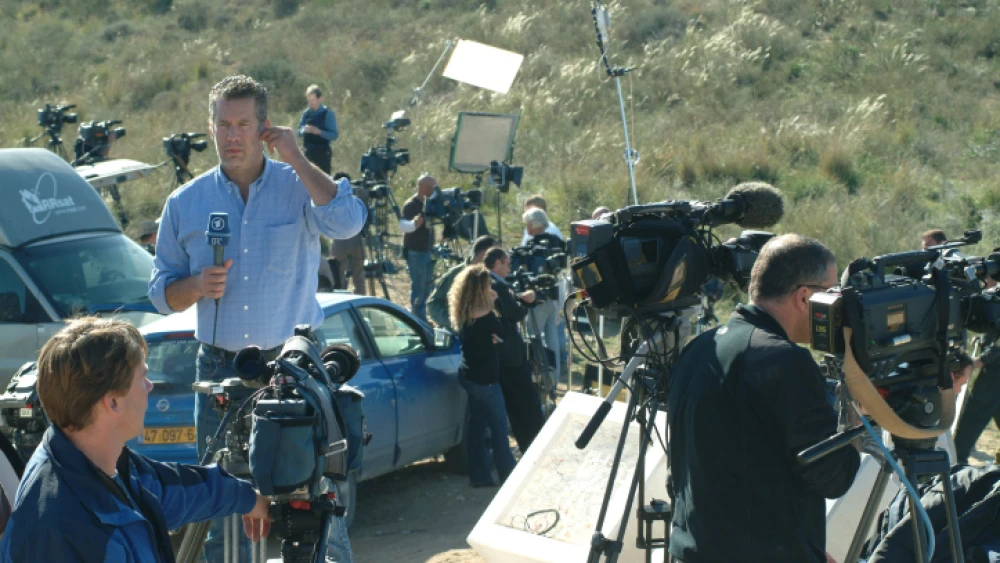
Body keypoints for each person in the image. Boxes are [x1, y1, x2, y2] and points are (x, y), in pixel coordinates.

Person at [149, 74, 365, 562]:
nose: (231, 135)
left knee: (314, 503)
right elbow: (160, 294)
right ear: (211, 128)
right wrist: (195, 287)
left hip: (294, 370)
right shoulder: (186, 203)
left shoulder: (298, 185)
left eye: (243, 124)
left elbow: (349, 221)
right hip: (220, 370)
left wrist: (296, 156)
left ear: (264, 127)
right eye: (223, 124)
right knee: (217, 503)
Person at [0, 317, 272, 562]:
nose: (150, 387)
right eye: (143, 377)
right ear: (113, 403)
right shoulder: (62, 530)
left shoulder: (96, 460)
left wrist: (248, 497)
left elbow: (172, 490)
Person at [667, 234, 861, 563]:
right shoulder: (785, 361)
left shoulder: (700, 347)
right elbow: (834, 476)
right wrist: (857, 404)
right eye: (831, 293)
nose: (839, 305)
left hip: (694, 549)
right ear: (804, 297)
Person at [449, 265, 518, 487]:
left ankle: (480, 476)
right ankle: (509, 476)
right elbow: (505, 332)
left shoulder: (461, 311)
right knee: (499, 430)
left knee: (477, 427)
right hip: (486, 380)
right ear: (481, 289)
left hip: (468, 374)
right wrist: (498, 301)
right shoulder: (487, 315)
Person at [485, 247, 545, 453]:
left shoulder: (486, 281)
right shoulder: (495, 285)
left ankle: (528, 443)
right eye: (507, 264)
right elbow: (514, 313)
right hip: (509, 356)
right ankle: (531, 445)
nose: (510, 268)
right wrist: (525, 302)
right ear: (497, 264)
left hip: (503, 354)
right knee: (524, 405)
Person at [953, 279, 1000, 464]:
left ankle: (957, 464)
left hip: (993, 376)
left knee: (969, 426)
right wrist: (981, 341)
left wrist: (979, 360)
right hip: (993, 372)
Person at [521, 207, 565, 393]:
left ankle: (538, 378)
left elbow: (526, 271)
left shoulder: (533, 246)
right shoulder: (557, 242)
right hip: (553, 296)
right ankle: (553, 380)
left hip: (537, 298)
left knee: (534, 338)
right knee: (552, 338)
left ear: (532, 224)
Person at [427, 235, 497, 331]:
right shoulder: (455, 274)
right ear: (483, 254)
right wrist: (456, 321)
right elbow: (433, 305)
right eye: (494, 255)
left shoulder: (492, 275)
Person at [400, 174, 437, 323]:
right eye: (432, 187)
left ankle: (420, 314)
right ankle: (417, 317)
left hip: (427, 251)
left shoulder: (432, 204)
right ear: (425, 188)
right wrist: (415, 224)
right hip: (415, 252)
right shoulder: (411, 205)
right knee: (419, 286)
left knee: (427, 286)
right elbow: (403, 226)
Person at [329, 172, 369, 295]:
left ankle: (339, 300)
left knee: (338, 276)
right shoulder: (358, 194)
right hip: (357, 240)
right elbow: (367, 215)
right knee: (359, 277)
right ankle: (361, 300)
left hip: (339, 240)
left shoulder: (331, 193)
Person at [297, 84, 339, 174]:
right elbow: (299, 132)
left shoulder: (328, 114)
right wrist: (304, 130)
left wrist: (319, 132)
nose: (311, 103)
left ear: (320, 99)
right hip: (308, 154)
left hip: (322, 153)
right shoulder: (306, 113)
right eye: (309, 101)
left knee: (323, 184)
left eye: (313, 100)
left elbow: (334, 135)